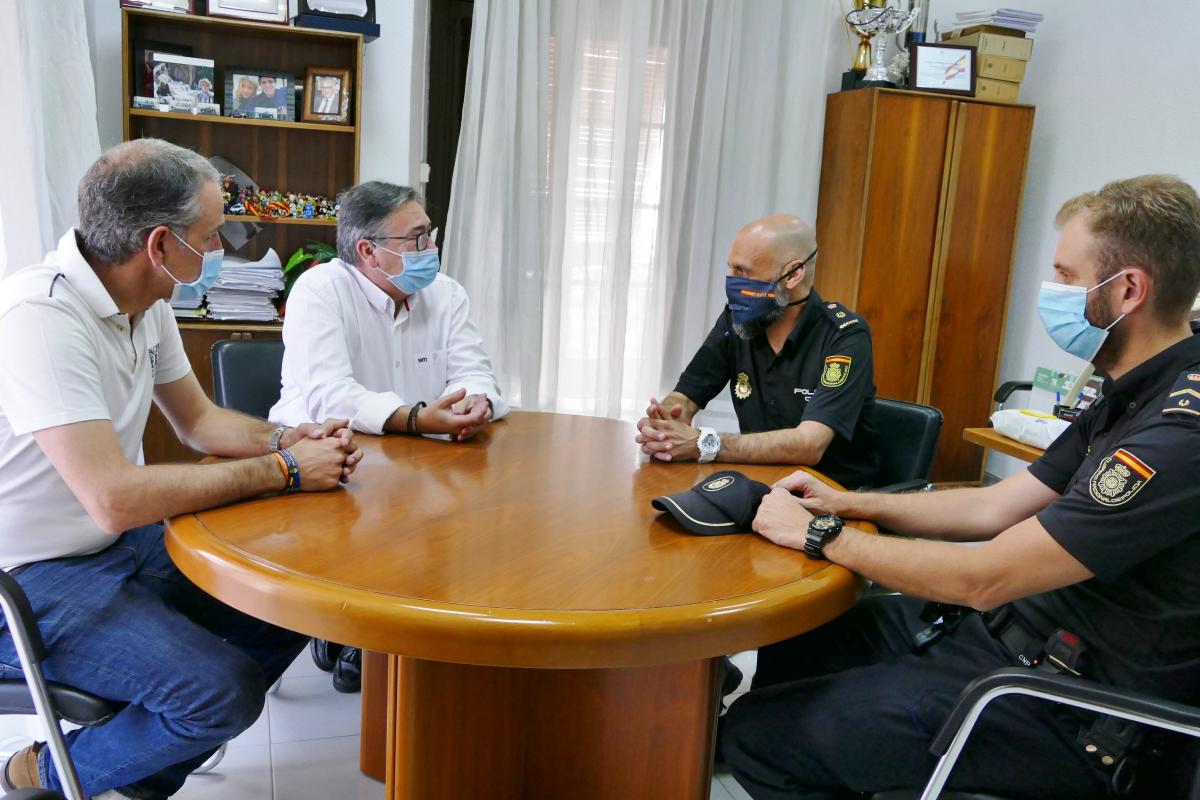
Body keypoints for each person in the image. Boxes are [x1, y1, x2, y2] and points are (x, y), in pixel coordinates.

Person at [721, 175, 1200, 799]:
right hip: (1012, 635)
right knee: (799, 640)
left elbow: (986, 576)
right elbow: (995, 504)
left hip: (1069, 706)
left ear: (1129, 289)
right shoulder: (1132, 391)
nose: (1050, 293)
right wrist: (845, 500)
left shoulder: (1176, 433)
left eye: (1065, 275)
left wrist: (819, 533)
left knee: (756, 734)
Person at [0, 138, 362, 799]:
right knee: (222, 693)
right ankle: (41, 773)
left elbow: (199, 423)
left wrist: (288, 434)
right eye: (213, 232)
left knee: (292, 600)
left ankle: (134, 767)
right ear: (160, 244)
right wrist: (284, 468)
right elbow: (112, 497)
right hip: (26, 580)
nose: (223, 244)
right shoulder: (40, 317)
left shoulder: (147, 302)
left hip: (111, 547)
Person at [270, 180, 508, 692]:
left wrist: (477, 401)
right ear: (368, 251)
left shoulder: (445, 293)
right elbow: (331, 396)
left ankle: (416, 636)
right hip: (330, 463)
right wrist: (418, 418)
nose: (431, 250)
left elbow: (475, 368)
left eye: (431, 235)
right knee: (378, 524)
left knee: (469, 527)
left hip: (424, 466)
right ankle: (348, 627)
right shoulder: (319, 291)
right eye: (417, 239)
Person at [635, 214, 880, 491]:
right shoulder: (737, 320)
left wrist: (703, 443)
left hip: (832, 497)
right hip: (760, 487)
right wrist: (667, 421)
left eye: (743, 271)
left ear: (793, 274)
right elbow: (688, 394)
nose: (731, 281)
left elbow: (809, 445)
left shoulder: (845, 335)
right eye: (730, 269)